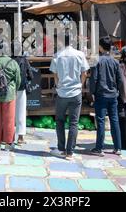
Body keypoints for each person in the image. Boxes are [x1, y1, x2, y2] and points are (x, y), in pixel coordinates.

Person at [50, 31, 89, 160]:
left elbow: (54, 75)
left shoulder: (57, 55)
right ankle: (70, 152)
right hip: (76, 91)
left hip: (62, 92)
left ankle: (61, 148)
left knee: (59, 121)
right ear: (72, 41)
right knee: (74, 122)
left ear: (60, 41)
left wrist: (58, 85)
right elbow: (84, 72)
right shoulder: (80, 54)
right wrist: (81, 85)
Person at [89, 36, 123, 156]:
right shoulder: (115, 61)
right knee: (115, 120)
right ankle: (118, 147)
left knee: (101, 121)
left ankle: (99, 148)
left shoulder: (96, 60)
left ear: (100, 47)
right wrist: (117, 90)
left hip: (101, 94)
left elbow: (93, 79)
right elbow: (120, 79)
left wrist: (91, 92)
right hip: (113, 94)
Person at [12, 40, 33, 145]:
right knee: (21, 112)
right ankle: (20, 137)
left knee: (9, 112)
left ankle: (9, 135)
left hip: (10, 89)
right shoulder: (24, 60)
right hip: (21, 87)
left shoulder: (9, 60)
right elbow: (31, 75)